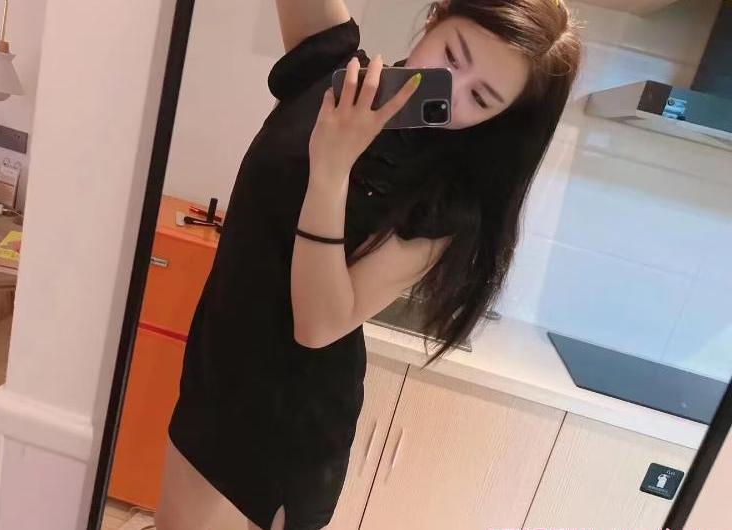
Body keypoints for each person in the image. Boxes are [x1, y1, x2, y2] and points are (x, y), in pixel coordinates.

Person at [154, 1, 582, 529]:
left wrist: (331, 170)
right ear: (435, 17)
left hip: (287, 414)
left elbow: (319, 325)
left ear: (501, 118)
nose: (449, 91)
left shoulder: (445, 203)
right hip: (218, 367)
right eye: (452, 56)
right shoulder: (332, 69)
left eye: (480, 98)